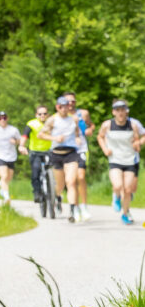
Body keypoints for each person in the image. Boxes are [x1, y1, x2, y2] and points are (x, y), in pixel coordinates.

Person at [38, 96, 86, 223]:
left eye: (66, 106)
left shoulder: (74, 119)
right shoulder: (52, 120)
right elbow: (41, 135)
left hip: (71, 153)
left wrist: (77, 139)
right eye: (61, 106)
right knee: (59, 185)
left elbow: (76, 132)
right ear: (57, 107)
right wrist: (55, 139)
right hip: (56, 153)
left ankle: (72, 210)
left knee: (71, 182)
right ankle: (58, 197)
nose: (64, 109)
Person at [96, 100, 144, 225]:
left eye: (123, 109)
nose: (120, 112)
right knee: (117, 185)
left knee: (128, 189)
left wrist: (138, 143)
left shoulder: (133, 124)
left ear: (126, 111)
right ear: (113, 112)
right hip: (115, 160)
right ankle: (116, 196)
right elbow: (100, 136)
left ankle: (125, 214)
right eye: (117, 110)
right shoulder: (107, 125)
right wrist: (105, 149)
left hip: (130, 160)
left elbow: (142, 136)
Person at [63, 92, 94, 221]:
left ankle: (84, 206)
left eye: (73, 101)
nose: (70, 104)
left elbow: (91, 124)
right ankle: (74, 208)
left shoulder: (83, 114)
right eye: (68, 101)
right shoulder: (60, 116)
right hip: (66, 150)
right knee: (72, 180)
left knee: (81, 177)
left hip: (81, 149)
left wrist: (90, 129)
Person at [18, 105, 51, 205]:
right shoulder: (32, 124)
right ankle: (37, 193)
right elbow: (24, 136)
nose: (42, 116)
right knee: (35, 172)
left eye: (45, 113)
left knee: (56, 171)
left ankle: (56, 193)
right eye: (40, 114)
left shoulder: (52, 123)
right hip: (35, 152)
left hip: (49, 151)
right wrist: (21, 146)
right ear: (36, 115)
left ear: (48, 114)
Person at [0, 111, 21, 205]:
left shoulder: (13, 130)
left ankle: (2, 186)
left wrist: (15, 141)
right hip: (0, 155)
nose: (2, 120)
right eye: (0, 118)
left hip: (11, 156)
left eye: (4, 118)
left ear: (7, 119)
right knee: (4, 176)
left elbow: (20, 141)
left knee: (8, 178)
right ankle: (7, 197)